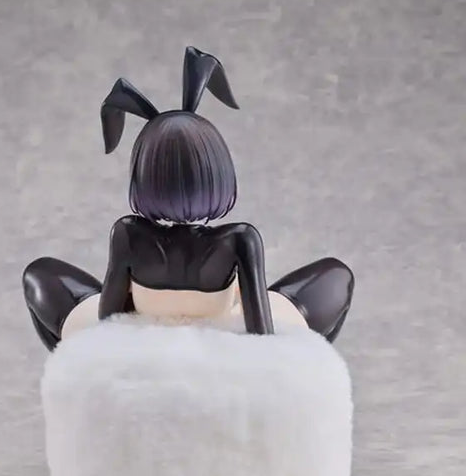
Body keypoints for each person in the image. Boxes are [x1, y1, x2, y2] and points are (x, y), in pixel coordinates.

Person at [23, 47, 354, 351]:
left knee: (40, 273)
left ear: (143, 175)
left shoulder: (127, 232)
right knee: (336, 275)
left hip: (143, 342)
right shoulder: (240, 238)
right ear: (218, 171)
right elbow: (260, 331)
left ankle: (87, 378)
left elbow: (110, 319)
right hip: (222, 341)